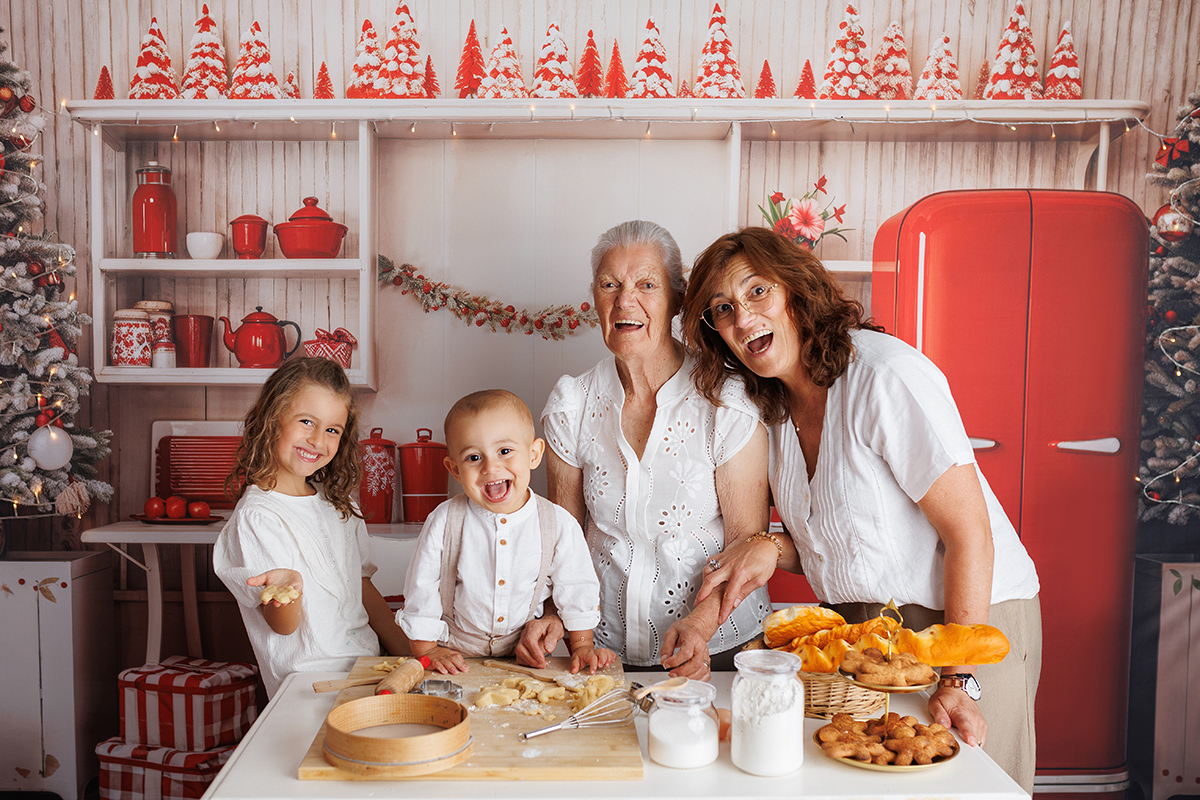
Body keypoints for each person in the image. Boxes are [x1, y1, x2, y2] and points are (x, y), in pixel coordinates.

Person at [681, 226, 1042, 792]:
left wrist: (959, 678)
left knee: (971, 789)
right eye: (723, 309)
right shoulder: (772, 409)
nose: (743, 318)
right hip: (867, 639)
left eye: (757, 291)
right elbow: (840, 538)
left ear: (796, 288)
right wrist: (769, 548)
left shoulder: (884, 377)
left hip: (967, 623)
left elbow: (969, 533)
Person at [533, 220, 800, 680]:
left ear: (678, 298)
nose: (624, 301)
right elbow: (565, 537)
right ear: (594, 297)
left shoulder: (727, 400)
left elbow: (746, 541)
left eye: (646, 285)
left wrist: (700, 625)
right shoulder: (571, 404)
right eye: (609, 285)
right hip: (601, 652)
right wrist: (557, 614)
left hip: (720, 648)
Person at [213, 357, 408, 698]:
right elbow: (282, 627)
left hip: (368, 670)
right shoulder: (259, 517)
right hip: (308, 687)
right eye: (306, 422)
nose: (318, 440)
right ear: (273, 419)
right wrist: (286, 591)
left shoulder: (339, 505)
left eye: (332, 430)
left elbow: (363, 589)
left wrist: (414, 655)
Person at [399, 389, 615, 676]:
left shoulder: (557, 523)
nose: (491, 467)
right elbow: (422, 587)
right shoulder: (444, 521)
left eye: (504, 451)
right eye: (474, 457)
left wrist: (582, 645)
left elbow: (577, 586)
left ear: (533, 454)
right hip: (456, 654)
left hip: (524, 655)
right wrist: (427, 650)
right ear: (455, 470)